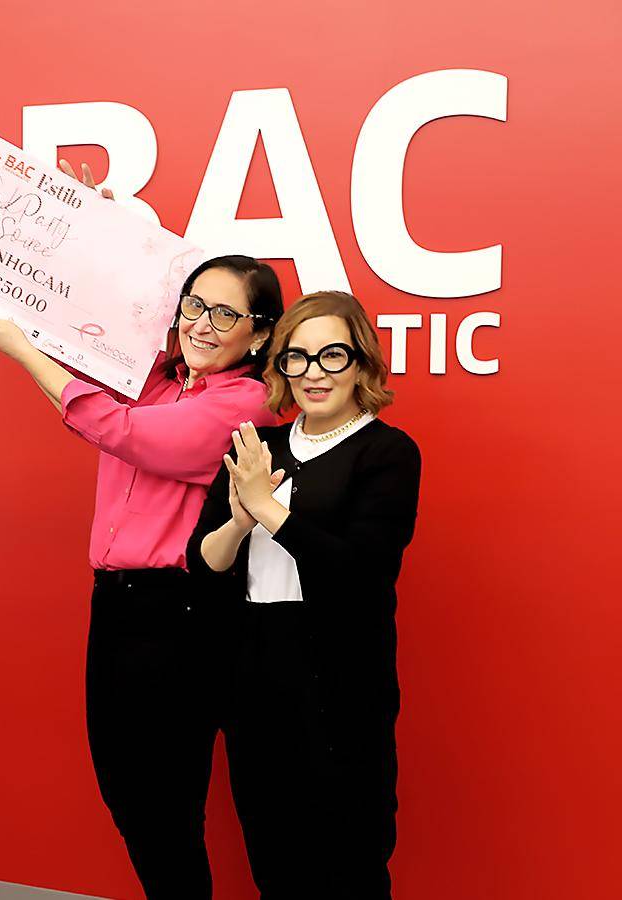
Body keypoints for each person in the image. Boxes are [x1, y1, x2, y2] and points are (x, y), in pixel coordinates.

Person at [0, 163, 284, 899]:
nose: (199, 325)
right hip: (115, 607)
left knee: (162, 808)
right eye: (193, 306)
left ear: (261, 331)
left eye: (224, 315)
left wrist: (25, 353)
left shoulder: (245, 404)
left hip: (177, 616)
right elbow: (113, 311)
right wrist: (117, 231)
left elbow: (124, 433)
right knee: (127, 793)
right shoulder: (158, 378)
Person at [187, 290, 422, 899]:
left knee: (348, 855)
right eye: (297, 358)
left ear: (364, 364)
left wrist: (267, 508)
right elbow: (203, 563)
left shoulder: (387, 452)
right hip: (255, 670)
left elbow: (359, 572)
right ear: (280, 367)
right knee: (273, 848)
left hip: (338, 677)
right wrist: (239, 520)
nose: (313, 373)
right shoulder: (255, 448)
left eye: (332, 356)